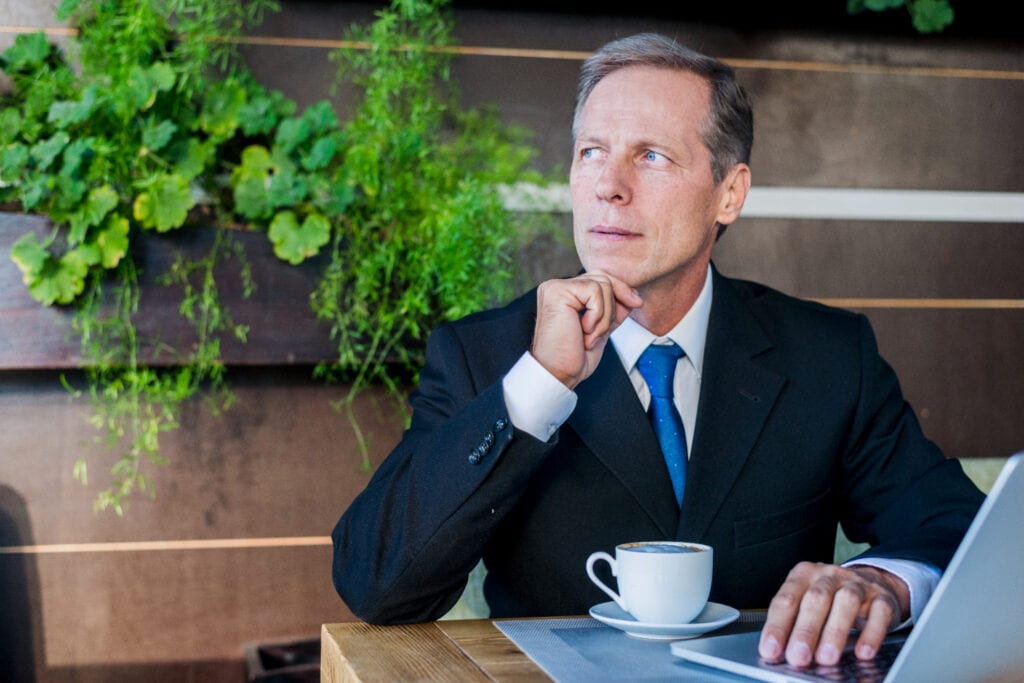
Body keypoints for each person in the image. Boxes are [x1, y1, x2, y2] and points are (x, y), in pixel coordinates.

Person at [331, 33, 984, 668]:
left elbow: (960, 527)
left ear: (729, 193)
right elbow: (378, 584)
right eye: (591, 151)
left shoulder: (830, 354)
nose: (607, 185)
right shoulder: (484, 354)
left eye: (651, 156)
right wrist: (539, 384)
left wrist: (883, 581)